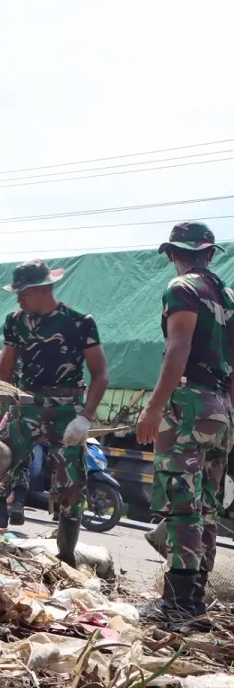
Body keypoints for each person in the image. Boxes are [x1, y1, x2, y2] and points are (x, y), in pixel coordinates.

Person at [136, 222, 234, 623]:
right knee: (206, 506)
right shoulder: (228, 296)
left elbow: (179, 347)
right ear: (210, 253)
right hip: (220, 409)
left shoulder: (182, 289)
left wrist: (154, 408)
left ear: (173, 254)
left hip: (188, 405)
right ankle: (195, 600)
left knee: (181, 505)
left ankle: (178, 604)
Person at [0, 259, 109, 567]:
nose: (18, 298)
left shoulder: (79, 322)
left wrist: (85, 417)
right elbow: (4, 368)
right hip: (27, 406)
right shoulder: (15, 321)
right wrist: (0, 402)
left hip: (66, 412)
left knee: (72, 487)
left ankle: (65, 559)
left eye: (22, 292)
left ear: (42, 289)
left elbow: (100, 374)